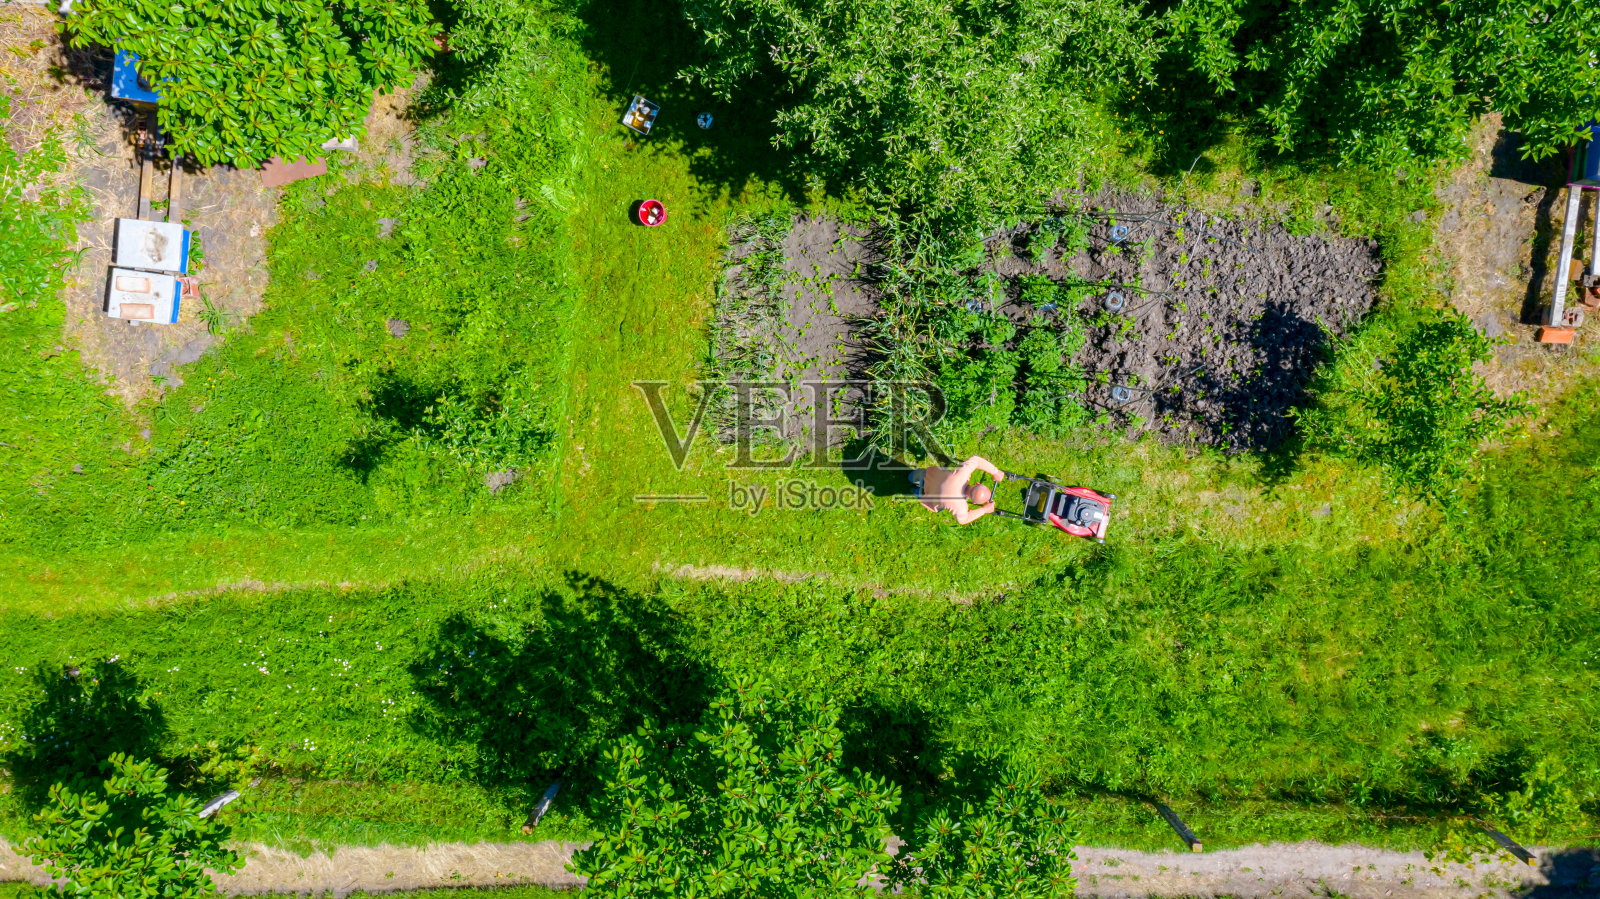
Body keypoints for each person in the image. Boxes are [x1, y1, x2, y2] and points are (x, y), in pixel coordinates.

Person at [909, 456, 1004, 525]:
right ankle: (914, 491)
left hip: (927, 476)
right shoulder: (960, 507)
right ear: (974, 502)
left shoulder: (963, 473)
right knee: (921, 494)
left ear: (977, 484)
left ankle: (910, 477)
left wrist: (995, 471)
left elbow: (976, 460)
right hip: (929, 497)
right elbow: (963, 520)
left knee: (913, 476)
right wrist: (984, 509)